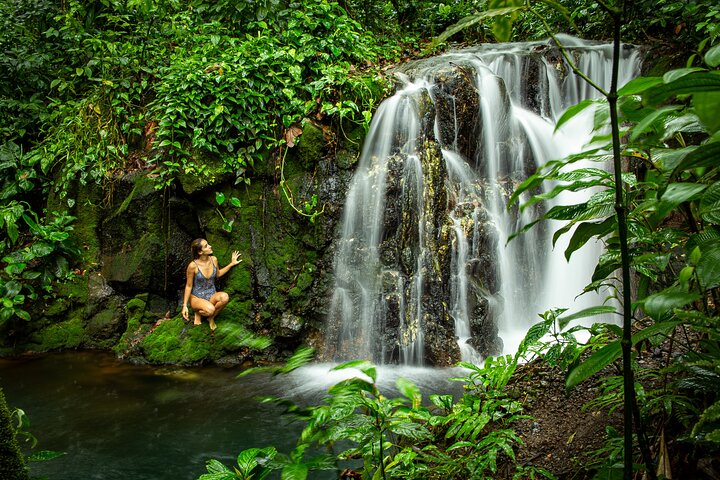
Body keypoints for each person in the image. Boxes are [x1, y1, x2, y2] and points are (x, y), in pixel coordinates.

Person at [181, 238, 241, 331]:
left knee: (225, 297)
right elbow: (188, 286)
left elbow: (218, 274)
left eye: (208, 244)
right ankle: (199, 311)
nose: (210, 246)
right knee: (210, 310)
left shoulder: (213, 259)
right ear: (200, 252)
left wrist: (232, 263)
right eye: (206, 246)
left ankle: (210, 317)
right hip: (197, 298)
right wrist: (184, 306)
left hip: (211, 294)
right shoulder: (193, 266)